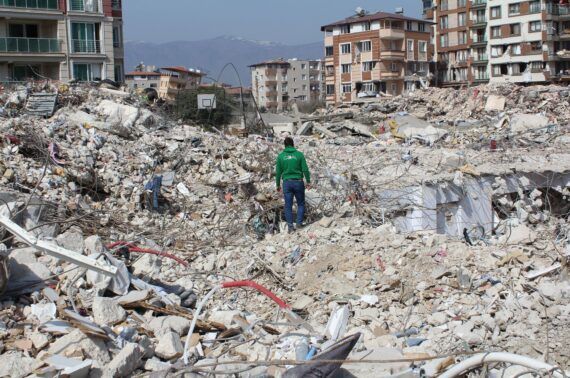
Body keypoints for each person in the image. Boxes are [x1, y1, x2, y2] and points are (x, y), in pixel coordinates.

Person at [275, 137, 311, 233]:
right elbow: (305, 169)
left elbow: (278, 172)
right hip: (298, 182)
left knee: (288, 205)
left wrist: (277, 185)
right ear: (293, 144)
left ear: (285, 145)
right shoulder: (299, 155)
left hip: (287, 183)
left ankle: (290, 227)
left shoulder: (281, 156)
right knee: (301, 203)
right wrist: (308, 181)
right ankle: (299, 223)